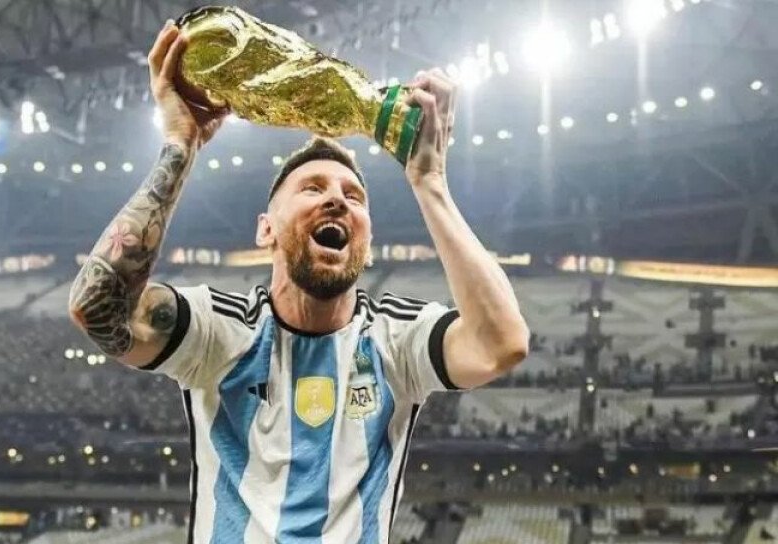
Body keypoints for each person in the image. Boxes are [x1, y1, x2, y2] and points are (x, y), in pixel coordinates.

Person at [68, 20, 529, 544]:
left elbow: (503, 344)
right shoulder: (219, 331)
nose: (336, 199)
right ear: (265, 229)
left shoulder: (396, 340)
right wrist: (180, 144)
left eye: (354, 196)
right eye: (312, 188)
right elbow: (98, 307)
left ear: (367, 242)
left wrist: (430, 184)